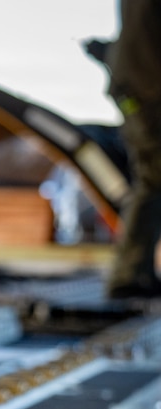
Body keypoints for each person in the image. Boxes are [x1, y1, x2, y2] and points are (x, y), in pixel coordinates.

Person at [94, 0, 161, 299]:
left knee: (154, 175)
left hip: (139, 85)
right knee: (154, 175)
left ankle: (136, 272)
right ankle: (128, 275)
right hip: (144, 91)